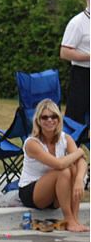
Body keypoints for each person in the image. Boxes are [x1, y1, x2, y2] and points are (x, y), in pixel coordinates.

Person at [18, 99, 88, 233]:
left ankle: (75, 218)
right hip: (32, 192)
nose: (50, 120)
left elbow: (82, 163)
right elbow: (59, 164)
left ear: (59, 119)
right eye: (45, 117)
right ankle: (69, 220)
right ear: (38, 120)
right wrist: (79, 152)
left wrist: (79, 180)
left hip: (56, 193)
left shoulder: (65, 138)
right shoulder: (32, 143)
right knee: (64, 171)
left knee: (73, 169)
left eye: (54, 116)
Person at [60, 0, 90, 126]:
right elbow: (65, 52)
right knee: (75, 119)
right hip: (82, 75)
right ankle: (72, 147)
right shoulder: (77, 23)